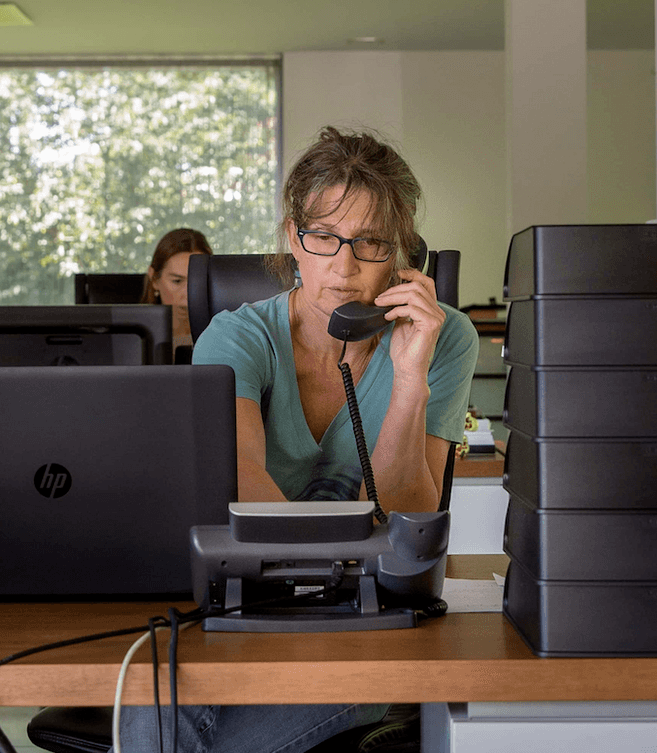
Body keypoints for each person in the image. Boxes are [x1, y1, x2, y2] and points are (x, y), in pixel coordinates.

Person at [120, 127, 478, 753]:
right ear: (294, 238)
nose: (343, 267)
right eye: (324, 238)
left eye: (370, 243)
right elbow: (242, 484)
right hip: (250, 606)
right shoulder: (235, 337)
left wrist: (408, 379)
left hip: (369, 621)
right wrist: (328, 570)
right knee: (156, 707)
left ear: (404, 255)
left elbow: (410, 521)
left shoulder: (445, 338)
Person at [143, 227, 213, 348]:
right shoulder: (132, 338)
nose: (188, 295)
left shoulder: (224, 337)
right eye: (177, 281)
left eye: (197, 281)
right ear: (154, 279)